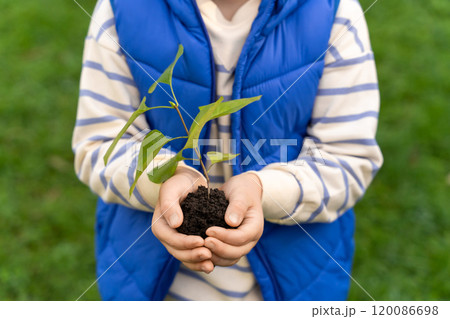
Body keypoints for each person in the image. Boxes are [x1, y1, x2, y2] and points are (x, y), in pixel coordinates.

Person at [73, 0, 383, 300]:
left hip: (294, 281)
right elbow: (100, 144)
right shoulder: (122, 9)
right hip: (153, 282)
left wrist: (264, 190)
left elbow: (348, 158)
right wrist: (167, 180)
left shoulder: (332, 12)